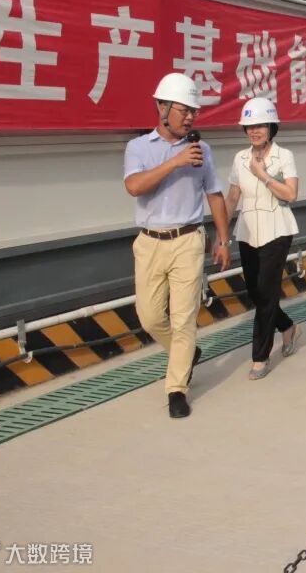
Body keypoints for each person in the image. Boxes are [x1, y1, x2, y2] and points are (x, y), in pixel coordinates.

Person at [123, 73, 230, 419]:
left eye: (193, 112)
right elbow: (134, 187)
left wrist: (223, 239)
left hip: (188, 240)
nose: (190, 117)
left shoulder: (203, 151)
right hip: (150, 242)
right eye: (184, 110)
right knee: (150, 317)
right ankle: (186, 354)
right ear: (162, 107)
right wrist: (175, 162)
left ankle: (177, 389)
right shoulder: (139, 148)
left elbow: (215, 195)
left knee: (184, 319)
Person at [225, 98, 300, 380]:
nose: (254, 131)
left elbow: (290, 194)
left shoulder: (284, 156)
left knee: (267, 292)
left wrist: (263, 175)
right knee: (255, 292)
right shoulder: (239, 158)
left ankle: (260, 357)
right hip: (247, 231)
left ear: (271, 127)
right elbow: (233, 196)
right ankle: (288, 326)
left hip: (276, 230)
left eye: (260, 125)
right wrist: (221, 232)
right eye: (249, 126)